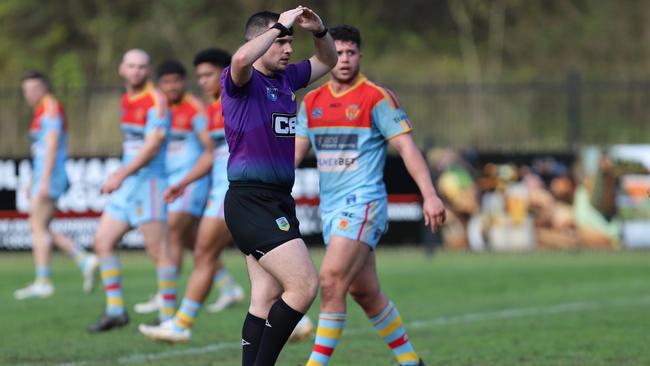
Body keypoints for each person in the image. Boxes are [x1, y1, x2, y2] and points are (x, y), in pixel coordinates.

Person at [295, 25, 445, 366]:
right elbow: (293, 154)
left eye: (351, 53)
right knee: (364, 292)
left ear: (360, 55)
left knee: (331, 280)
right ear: (327, 56)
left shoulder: (376, 97)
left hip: (364, 203)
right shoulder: (313, 101)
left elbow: (407, 149)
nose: (344, 59)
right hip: (331, 208)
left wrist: (430, 195)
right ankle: (411, 362)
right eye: (338, 53)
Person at [221, 8, 336, 365]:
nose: (288, 49)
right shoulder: (240, 80)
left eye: (290, 43)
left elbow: (328, 59)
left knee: (265, 296)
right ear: (262, 40)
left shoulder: (288, 79)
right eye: (281, 42)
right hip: (250, 200)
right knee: (304, 287)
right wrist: (279, 25)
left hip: (276, 200)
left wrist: (319, 31)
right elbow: (241, 58)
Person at [138, 50, 246, 342]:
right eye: (199, 76)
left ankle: (178, 320)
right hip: (220, 189)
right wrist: (183, 182)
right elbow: (212, 155)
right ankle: (292, 320)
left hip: (237, 190)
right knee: (252, 255)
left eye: (208, 74)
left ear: (227, 72)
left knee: (203, 251)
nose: (202, 81)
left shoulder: (239, 101)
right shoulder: (211, 109)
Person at [87, 49, 176, 333]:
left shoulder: (156, 100)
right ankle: (116, 311)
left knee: (157, 251)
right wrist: (123, 176)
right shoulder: (126, 99)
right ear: (121, 69)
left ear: (148, 71)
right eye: (131, 66)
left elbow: (151, 147)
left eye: (142, 67)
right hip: (127, 184)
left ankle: (167, 316)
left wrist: (120, 174)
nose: (136, 71)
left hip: (149, 183)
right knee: (102, 242)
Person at [14, 71, 98, 300]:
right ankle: (84, 259)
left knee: (37, 226)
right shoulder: (41, 109)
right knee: (43, 226)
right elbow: (40, 150)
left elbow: (51, 146)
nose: (29, 94)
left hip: (50, 176)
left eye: (33, 89)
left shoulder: (49, 107)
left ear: (44, 87)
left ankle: (43, 281)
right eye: (26, 91)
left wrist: (43, 181)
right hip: (45, 175)